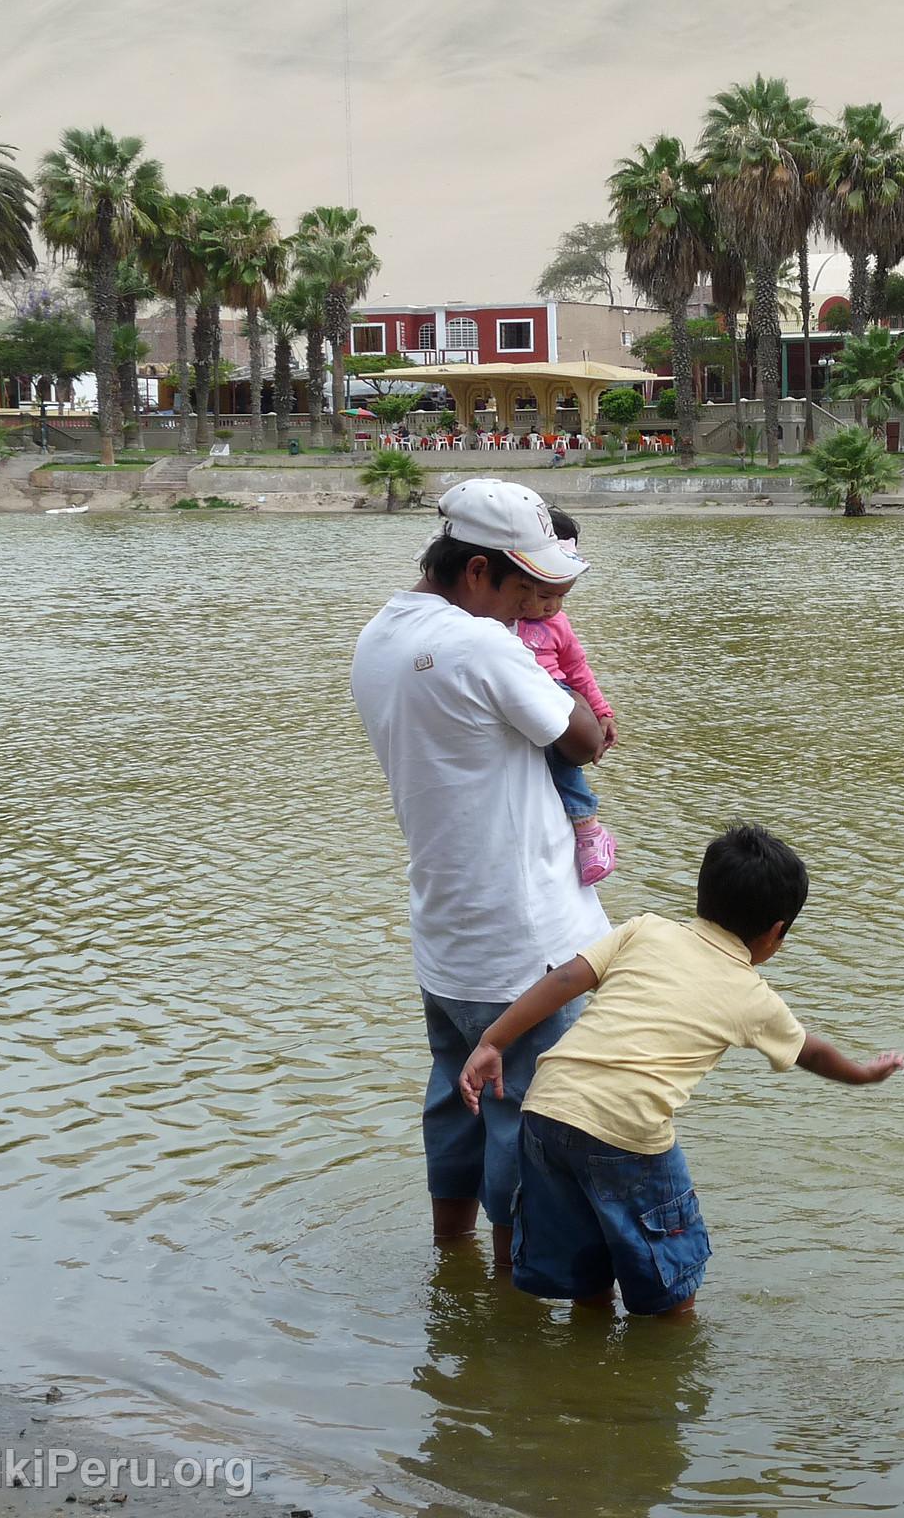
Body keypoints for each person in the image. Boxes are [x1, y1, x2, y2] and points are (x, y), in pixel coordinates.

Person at [458, 825, 904, 1316]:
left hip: (547, 1109)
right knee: (671, 1286)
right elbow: (810, 1051)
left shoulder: (645, 929)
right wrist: (863, 1074)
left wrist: (492, 1041)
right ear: (777, 931)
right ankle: (659, 1366)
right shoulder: (750, 994)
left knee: (583, 1269)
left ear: (702, 892)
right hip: (627, 1131)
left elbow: (565, 978)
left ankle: (582, 1368)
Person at [350, 477, 611, 1266]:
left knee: (455, 1104)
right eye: (524, 588)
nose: (534, 610)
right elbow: (584, 739)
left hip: (445, 934)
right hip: (523, 943)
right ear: (477, 572)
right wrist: (573, 692)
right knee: (525, 1119)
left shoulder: (379, 634)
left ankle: (450, 1261)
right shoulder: (480, 643)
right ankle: (510, 1297)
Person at [514, 507, 619, 885]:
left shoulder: (556, 622)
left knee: (562, 764)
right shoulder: (495, 620)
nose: (551, 606)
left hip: (554, 693)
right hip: (522, 693)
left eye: (560, 597)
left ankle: (587, 826)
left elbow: (577, 668)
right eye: (545, 595)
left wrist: (601, 710)